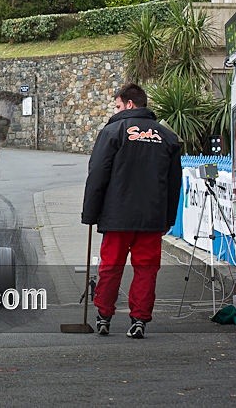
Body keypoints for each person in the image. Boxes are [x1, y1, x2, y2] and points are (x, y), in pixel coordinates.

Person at [81, 84, 182, 339]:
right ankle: (139, 319)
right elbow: (174, 183)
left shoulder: (112, 132)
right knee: (147, 269)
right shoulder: (167, 136)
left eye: (117, 106)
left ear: (129, 104)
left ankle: (104, 315)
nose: (115, 110)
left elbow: (97, 174)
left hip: (117, 216)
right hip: (151, 217)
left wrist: (90, 213)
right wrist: (168, 217)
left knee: (111, 267)